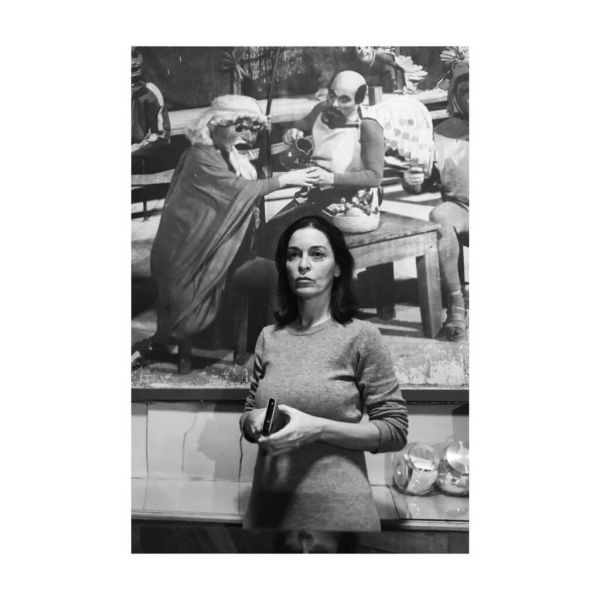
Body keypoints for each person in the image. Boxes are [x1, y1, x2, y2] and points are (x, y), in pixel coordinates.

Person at [240, 215, 408, 531]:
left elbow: (395, 430)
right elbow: (251, 411)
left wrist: (317, 430)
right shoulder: (269, 337)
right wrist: (251, 422)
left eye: (317, 254)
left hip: (339, 519)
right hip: (267, 518)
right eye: (293, 255)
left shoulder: (361, 336)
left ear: (338, 267)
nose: (303, 265)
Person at [132, 95, 318, 373]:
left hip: (221, 248)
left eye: (251, 129)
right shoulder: (200, 156)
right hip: (196, 257)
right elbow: (239, 190)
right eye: (239, 128)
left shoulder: (226, 152)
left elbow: (248, 183)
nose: (247, 136)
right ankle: (277, 356)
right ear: (216, 124)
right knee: (284, 274)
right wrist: (287, 180)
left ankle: (262, 342)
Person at [429, 60, 469, 341]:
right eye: (468, 92)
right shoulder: (443, 132)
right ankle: (456, 305)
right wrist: (413, 178)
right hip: (464, 210)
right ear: (456, 96)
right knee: (440, 215)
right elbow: (427, 179)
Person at [131, 47, 171, 171]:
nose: (133, 62)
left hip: (137, 159)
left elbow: (162, 136)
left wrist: (137, 148)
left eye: (135, 55)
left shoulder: (150, 93)